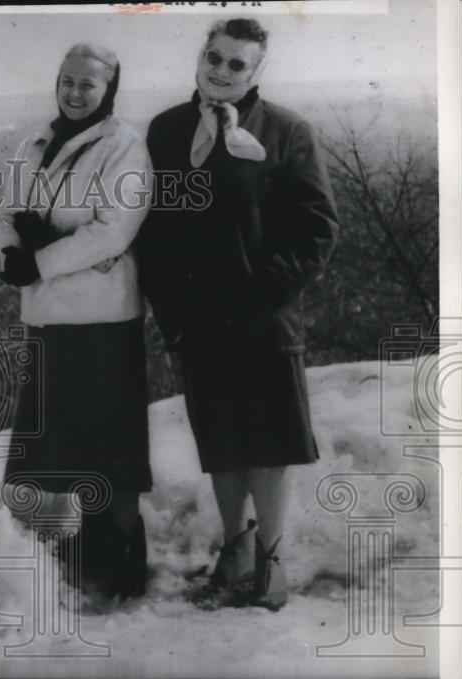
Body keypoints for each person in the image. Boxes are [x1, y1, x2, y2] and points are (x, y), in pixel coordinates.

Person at [137, 18, 339, 610]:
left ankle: (270, 560)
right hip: (199, 320)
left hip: (265, 316)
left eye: (236, 64)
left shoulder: (285, 130)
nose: (220, 72)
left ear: (256, 72)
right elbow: (155, 229)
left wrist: (265, 291)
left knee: (270, 442)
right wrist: (170, 310)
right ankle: (236, 546)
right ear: (200, 56)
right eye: (214, 57)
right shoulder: (168, 130)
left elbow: (317, 228)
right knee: (222, 441)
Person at [0, 42, 153, 600]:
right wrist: (13, 255)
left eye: (88, 84)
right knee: (56, 438)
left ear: (108, 90)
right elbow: (7, 214)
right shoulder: (34, 141)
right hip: (47, 318)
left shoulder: (124, 146)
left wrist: (38, 261)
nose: (74, 92)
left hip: (102, 319)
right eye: (67, 80)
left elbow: (112, 230)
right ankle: (75, 549)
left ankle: (122, 554)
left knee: (109, 441)